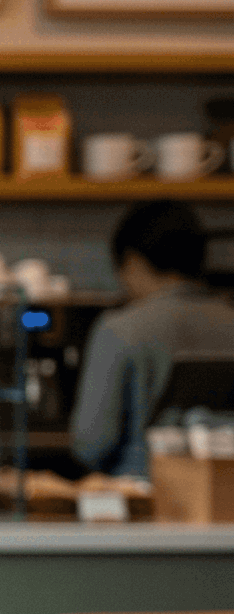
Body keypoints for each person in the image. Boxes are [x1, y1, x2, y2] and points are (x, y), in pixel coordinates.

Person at [72, 199, 234, 475]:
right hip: (222, 498)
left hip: (142, 498)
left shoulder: (120, 329)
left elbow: (92, 442)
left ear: (133, 262)